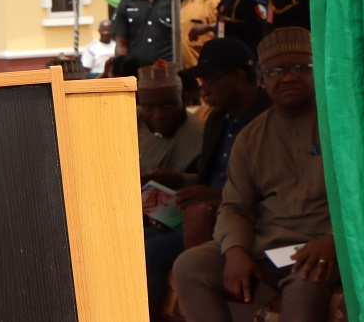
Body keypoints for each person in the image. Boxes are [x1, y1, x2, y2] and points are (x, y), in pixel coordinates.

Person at [174, 28, 337, 321]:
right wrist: (234, 250)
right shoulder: (251, 137)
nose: (288, 77)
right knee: (191, 265)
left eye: (301, 68)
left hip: (322, 247)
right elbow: (236, 206)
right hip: (269, 246)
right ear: (263, 79)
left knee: (304, 284)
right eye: (276, 70)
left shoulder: (342, 125)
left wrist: (334, 239)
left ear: (319, 70)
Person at [141, 38, 271, 319]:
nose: (204, 89)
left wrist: (212, 197)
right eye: (201, 81)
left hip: (239, 221)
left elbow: (268, 191)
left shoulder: (268, 119)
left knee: (150, 250)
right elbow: (208, 180)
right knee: (134, 237)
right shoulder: (217, 119)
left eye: (210, 79)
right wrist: (179, 181)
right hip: (203, 216)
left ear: (239, 77)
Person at [136, 61, 203, 176]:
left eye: (167, 105)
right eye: (148, 107)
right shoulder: (131, 121)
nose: (158, 115)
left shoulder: (199, 137)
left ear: (184, 101)